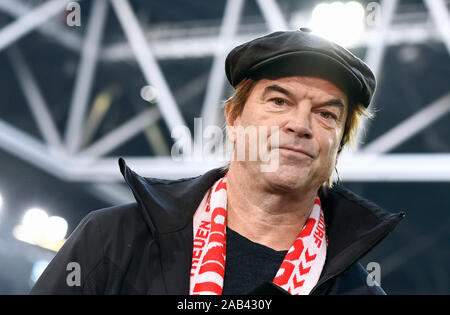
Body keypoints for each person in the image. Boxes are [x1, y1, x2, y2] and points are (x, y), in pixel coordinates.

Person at [30, 28, 405, 295]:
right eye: (279, 101)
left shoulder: (358, 291)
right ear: (234, 118)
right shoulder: (114, 239)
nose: (300, 125)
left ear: (338, 144)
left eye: (326, 114)